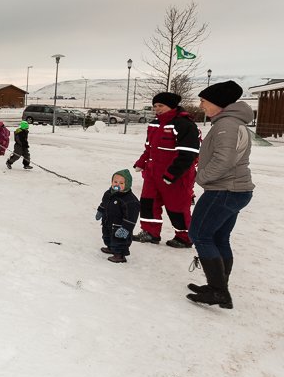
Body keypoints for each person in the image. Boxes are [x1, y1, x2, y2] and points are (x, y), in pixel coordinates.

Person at [186, 81, 253, 309]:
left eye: (204, 101)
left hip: (224, 189)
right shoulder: (233, 123)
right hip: (235, 190)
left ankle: (218, 290)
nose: (201, 105)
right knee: (218, 238)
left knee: (200, 234)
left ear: (218, 103)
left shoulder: (227, 125)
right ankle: (219, 287)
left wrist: (201, 177)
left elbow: (224, 160)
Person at [132, 92, 200, 248]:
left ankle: (184, 237)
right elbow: (149, 148)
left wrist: (172, 174)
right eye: (155, 106)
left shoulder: (184, 125)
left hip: (175, 176)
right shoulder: (154, 124)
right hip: (152, 174)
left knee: (177, 207)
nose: (157, 109)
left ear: (172, 106)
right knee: (148, 203)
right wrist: (141, 163)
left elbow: (188, 154)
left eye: (160, 106)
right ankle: (150, 232)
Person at [95, 169, 140, 263]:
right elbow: (104, 203)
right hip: (108, 222)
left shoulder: (130, 200)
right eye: (115, 182)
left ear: (127, 184)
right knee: (107, 235)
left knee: (119, 240)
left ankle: (120, 255)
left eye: (121, 183)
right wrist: (100, 210)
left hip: (120, 226)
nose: (117, 185)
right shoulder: (108, 193)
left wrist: (126, 229)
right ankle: (110, 248)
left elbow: (131, 217)